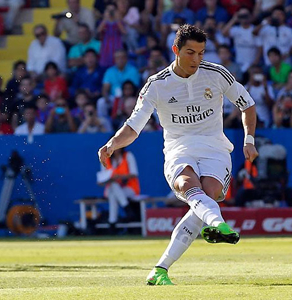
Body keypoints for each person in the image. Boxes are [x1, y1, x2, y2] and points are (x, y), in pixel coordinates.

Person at [98, 24, 258, 285]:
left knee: (206, 199)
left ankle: (160, 269)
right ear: (176, 50)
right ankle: (218, 224)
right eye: (191, 52)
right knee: (188, 185)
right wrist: (113, 143)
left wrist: (248, 139)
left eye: (201, 53)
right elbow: (133, 125)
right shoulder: (156, 85)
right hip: (178, 148)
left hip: (214, 148)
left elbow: (247, 105)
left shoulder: (217, 74)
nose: (196, 59)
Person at [98, 148, 140, 232]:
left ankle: (112, 223)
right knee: (114, 186)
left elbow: (134, 174)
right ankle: (127, 208)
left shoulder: (128, 156)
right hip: (110, 189)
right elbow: (101, 179)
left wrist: (119, 177)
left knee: (113, 195)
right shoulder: (106, 159)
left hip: (129, 189)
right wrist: (111, 179)